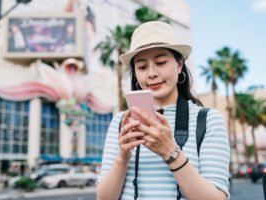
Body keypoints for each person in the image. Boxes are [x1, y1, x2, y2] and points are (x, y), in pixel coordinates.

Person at [97, 21, 230, 200]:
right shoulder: (121, 121)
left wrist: (170, 151)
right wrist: (122, 157)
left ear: (180, 65)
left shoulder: (207, 120)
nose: (151, 73)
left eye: (160, 62)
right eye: (142, 67)